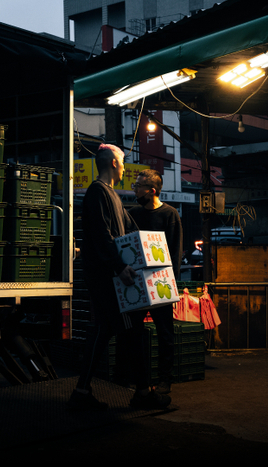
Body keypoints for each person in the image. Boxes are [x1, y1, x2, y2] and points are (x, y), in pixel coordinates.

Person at [68, 144, 172, 411]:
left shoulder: (111, 195)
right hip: (109, 280)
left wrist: (151, 253)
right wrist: (119, 267)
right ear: (114, 163)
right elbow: (104, 236)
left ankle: (82, 391)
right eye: (123, 163)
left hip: (109, 277)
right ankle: (141, 393)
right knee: (133, 331)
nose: (125, 168)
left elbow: (130, 230)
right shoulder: (97, 193)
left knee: (103, 330)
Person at [127, 169, 182, 394]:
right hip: (137, 281)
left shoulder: (169, 214)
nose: (135, 190)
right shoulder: (133, 214)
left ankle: (164, 380)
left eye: (138, 186)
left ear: (151, 191)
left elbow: (175, 251)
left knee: (164, 333)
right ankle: (140, 380)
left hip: (162, 281)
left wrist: (172, 283)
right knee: (134, 332)